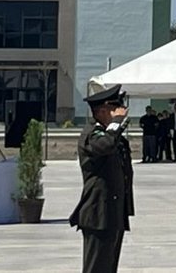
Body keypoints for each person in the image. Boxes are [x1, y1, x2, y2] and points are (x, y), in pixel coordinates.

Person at [70, 84, 134, 273]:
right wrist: (116, 124)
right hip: (98, 212)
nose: (121, 112)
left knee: (108, 267)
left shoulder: (112, 135)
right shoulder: (91, 134)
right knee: (96, 268)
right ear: (102, 111)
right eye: (115, 109)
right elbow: (104, 146)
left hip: (113, 213)